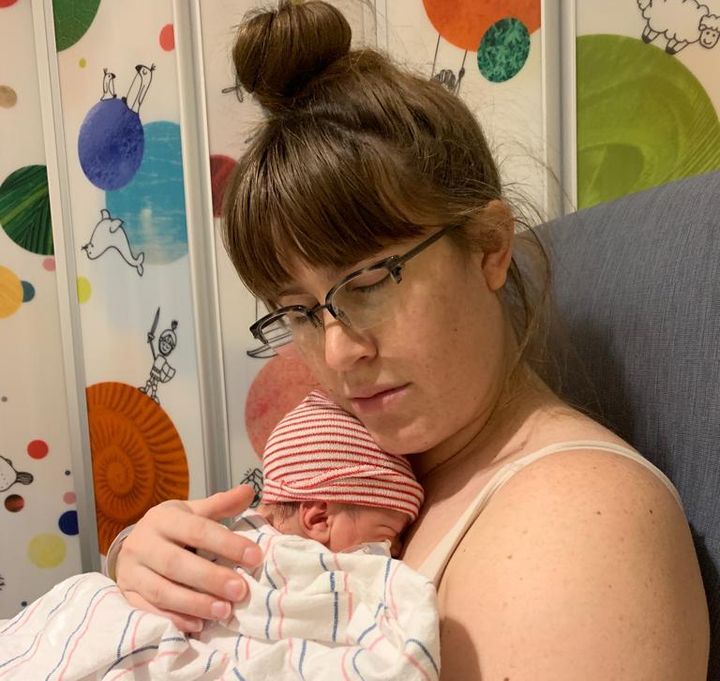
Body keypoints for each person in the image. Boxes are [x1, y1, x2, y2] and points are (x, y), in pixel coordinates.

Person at [110, 2, 710, 679]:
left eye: (368, 283)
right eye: (302, 312)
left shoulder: (575, 532)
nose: (337, 353)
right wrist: (150, 567)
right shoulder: (379, 466)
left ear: (488, 246)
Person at [0, 391, 438, 681]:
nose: (393, 553)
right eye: (386, 537)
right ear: (318, 518)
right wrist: (126, 552)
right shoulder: (292, 558)